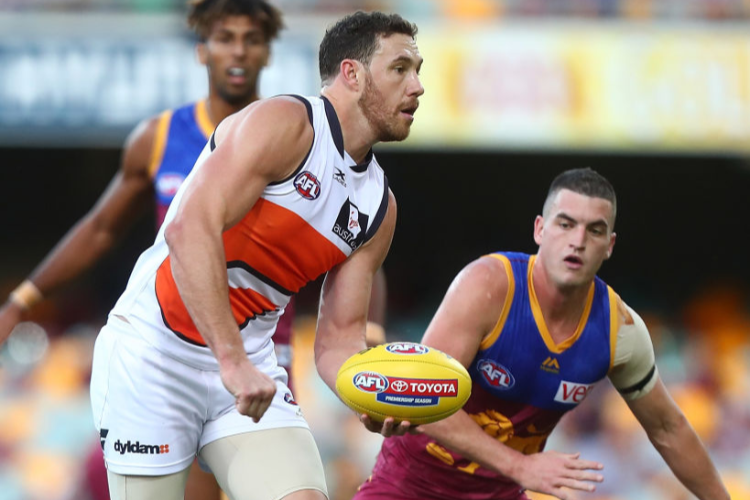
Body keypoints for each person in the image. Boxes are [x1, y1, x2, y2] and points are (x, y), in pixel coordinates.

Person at [86, 10, 423, 500]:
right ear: (352, 74)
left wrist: (368, 395)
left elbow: (339, 340)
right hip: (152, 357)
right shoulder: (285, 123)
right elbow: (187, 229)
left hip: (249, 369)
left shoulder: (379, 206)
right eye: (400, 68)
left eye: (418, 70)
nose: (416, 86)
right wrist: (232, 360)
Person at [0, 2, 281, 499]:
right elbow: (102, 229)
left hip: (262, 349)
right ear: (202, 50)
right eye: (224, 37)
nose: (238, 50)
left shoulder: (293, 140)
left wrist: (362, 323)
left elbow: (349, 227)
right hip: (175, 345)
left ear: (267, 52)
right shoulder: (159, 138)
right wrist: (23, 299)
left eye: (252, 39)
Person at [354, 168, 731, 500]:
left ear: (609, 246)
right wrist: (521, 467)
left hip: (499, 493)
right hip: (409, 486)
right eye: (566, 224)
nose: (578, 240)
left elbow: (668, 428)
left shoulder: (621, 331)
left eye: (594, 230)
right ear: (540, 229)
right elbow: (420, 396)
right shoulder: (488, 286)